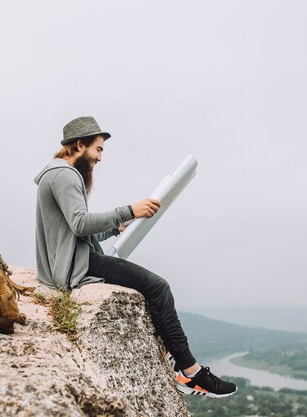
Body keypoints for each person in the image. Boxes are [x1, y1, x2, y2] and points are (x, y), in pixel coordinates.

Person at [34, 116, 237, 398]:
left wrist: (116, 228)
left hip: (72, 260)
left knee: (151, 287)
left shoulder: (57, 174)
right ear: (79, 144)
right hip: (74, 267)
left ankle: (176, 357)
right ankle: (191, 373)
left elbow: (73, 231)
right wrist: (130, 210)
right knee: (158, 286)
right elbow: (80, 223)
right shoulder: (65, 175)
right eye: (98, 149)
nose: (100, 158)